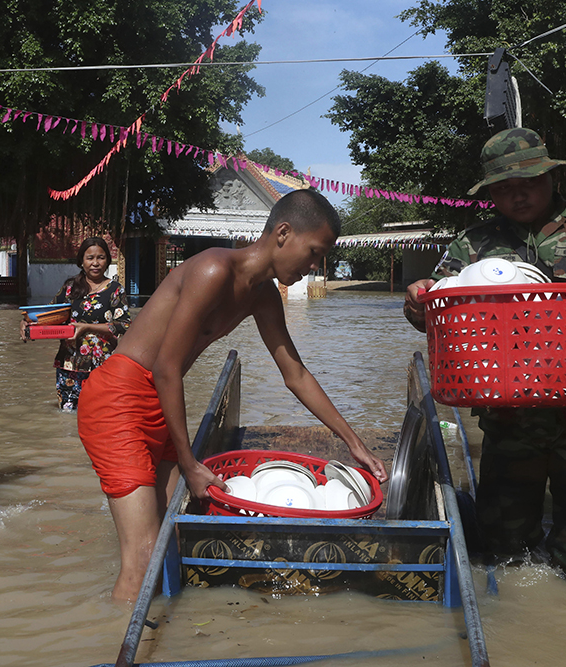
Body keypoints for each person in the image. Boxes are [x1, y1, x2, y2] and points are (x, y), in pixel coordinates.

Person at [76, 189, 389, 601]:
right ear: (283, 233)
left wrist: (355, 444)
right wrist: (188, 463)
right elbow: (167, 367)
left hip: (158, 400)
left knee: (173, 541)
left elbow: (294, 373)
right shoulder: (213, 270)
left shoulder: (262, 295)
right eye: (314, 252)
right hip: (118, 399)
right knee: (142, 560)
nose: (315, 265)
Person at [403, 128, 566, 584]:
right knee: (501, 556)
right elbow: (435, 314)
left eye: (528, 183)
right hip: (509, 419)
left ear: (551, 177)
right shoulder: (472, 245)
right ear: (490, 193)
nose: (517, 195)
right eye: (503, 188)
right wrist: (416, 301)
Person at [21, 237, 131, 411]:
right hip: (69, 365)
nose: (95, 263)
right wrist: (27, 323)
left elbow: (124, 325)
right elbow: (49, 315)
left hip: (103, 366)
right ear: (81, 261)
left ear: (108, 261)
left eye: (101, 258)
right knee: (68, 419)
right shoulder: (70, 288)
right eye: (90, 258)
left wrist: (87, 327)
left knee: (101, 415)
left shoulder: (115, 290)